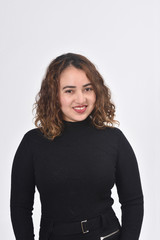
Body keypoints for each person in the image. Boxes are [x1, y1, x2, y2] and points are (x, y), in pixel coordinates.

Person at [10, 53, 144, 240]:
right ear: (53, 95)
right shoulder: (32, 143)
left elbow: (133, 202)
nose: (81, 99)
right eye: (69, 91)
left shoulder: (114, 139)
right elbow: (20, 208)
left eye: (87, 89)